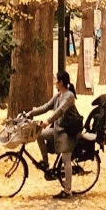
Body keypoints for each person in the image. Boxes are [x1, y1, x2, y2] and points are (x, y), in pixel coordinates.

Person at [27, 70, 81, 199]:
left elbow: (60, 111)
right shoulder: (58, 96)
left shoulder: (69, 96)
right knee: (39, 135)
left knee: (66, 158)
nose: (54, 82)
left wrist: (48, 121)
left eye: (56, 80)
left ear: (61, 82)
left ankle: (67, 189)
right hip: (58, 130)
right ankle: (45, 162)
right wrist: (30, 113)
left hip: (68, 131)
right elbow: (46, 106)